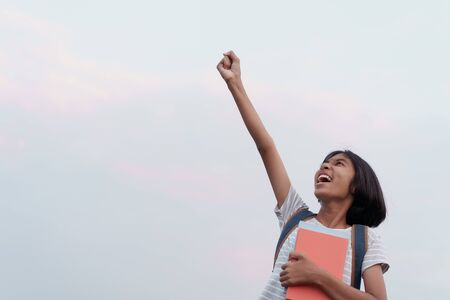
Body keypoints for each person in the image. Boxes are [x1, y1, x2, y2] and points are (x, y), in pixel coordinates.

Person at [216, 50, 389, 300]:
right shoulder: (295, 216)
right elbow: (266, 147)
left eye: (338, 164)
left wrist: (317, 276)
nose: (325, 167)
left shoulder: (364, 239)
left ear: (357, 185)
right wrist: (235, 83)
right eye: (324, 163)